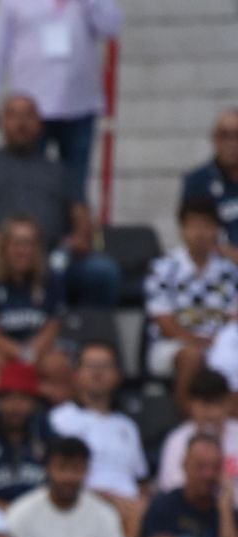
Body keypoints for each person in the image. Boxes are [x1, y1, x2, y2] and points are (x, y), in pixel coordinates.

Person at [0, 94, 118, 307]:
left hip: (51, 257)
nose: (21, 123)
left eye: (28, 116)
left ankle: (87, 335)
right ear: (3, 122)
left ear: (40, 124)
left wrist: (78, 238)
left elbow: (80, 213)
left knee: (101, 273)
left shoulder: (59, 170)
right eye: (14, 115)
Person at [0, 0, 122, 194]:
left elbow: (111, 26)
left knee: (74, 186)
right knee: (29, 181)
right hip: (31, 110)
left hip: (78, 106)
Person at [144, 196, 238, 405]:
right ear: (182, 230)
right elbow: (165, 323)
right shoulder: (163, 268)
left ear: (217, 231)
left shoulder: (229, 271)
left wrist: (218, 343)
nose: (200, 234)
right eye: (194, 226)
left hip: (219, 343)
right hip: (171, 345)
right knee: (192, 356)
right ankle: (189, 421)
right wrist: (198, 342)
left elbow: (233, 318)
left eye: (206, 226)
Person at [48, 341, 148, 519]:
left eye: (105, 366)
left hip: (131, 508)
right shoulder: (59, 419)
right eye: (90, 366)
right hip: (81, 506)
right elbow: (57, 477)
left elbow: (140, 479)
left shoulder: (127, 426)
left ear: (118, 375)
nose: (98, 373)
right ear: (76, 374)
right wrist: (110, 500)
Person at [0, 217, 67, 382]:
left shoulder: (50, 276)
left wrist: (32, 352)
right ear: (3, 247)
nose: (24, 250)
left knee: (58, 364)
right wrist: (20, 354)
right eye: (17, 244)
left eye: (30, 244)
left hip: (36, 349)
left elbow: (53, 324)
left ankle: (45, 401)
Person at [0, 359, 55, 501]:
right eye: (8, 398)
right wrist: (9, 513)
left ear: (34, 403)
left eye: (23, 398)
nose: (15, 406)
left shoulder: (48, 436)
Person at [156, 368, 238, 490]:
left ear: (228, 404)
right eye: (205, 405)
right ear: (191, 405)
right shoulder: (177, 440)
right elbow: (171, 487)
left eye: (217, 404)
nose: (211, 413)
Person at [180, 108, 238, 254]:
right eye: (224, 135)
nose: (232, 143)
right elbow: (191, 232)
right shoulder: (197, 181)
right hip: (216, 266)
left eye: (237, 135)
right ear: (214, 139)